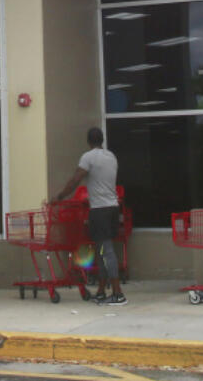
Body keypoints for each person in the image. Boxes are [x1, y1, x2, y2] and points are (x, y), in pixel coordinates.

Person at [53, 127, 126, 306]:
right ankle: (101, 291)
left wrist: (60, 196)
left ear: (88, 141)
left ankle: (118, 293)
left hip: (100, 210)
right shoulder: (111, 156)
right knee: (101, 250)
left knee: (106, 250)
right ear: (102, 140)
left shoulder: (88, 157)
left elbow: (75, 180)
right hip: (113, 208)